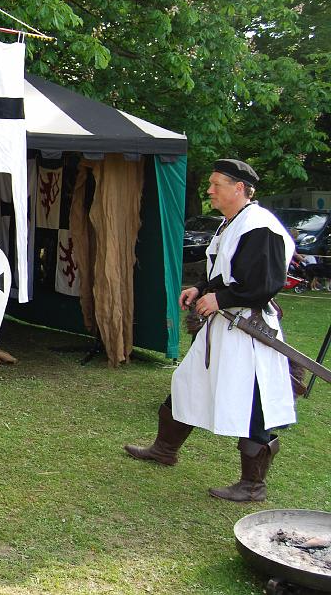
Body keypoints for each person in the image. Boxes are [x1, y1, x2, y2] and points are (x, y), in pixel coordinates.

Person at [125, 159, 296, 502]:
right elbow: (224, 271)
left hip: (248, 330)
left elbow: (263, 283)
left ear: (239, 189)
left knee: (252, 402)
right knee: (188, 381)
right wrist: (201, 290)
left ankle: (253, 485)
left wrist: (221, 299)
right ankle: (164, 449)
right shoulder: (231, 224)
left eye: (217, 184)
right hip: (224, 325)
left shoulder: (260, 226)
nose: (210, 190)